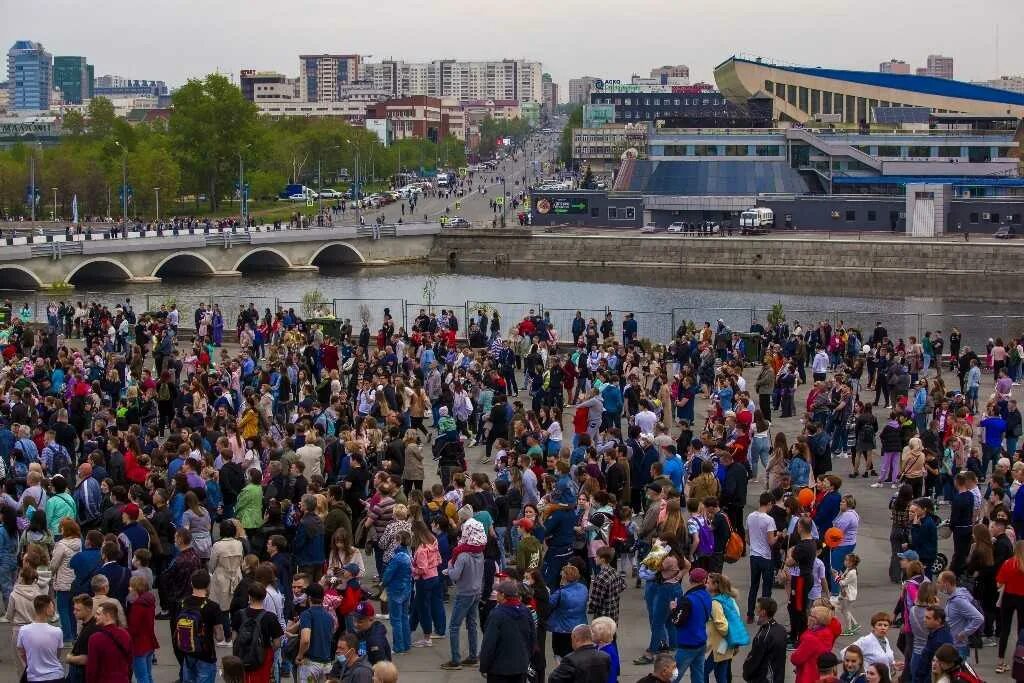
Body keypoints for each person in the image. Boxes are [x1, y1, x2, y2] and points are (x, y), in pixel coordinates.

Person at [441, 518, 485, 671]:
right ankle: (473, 656)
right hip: (476, 591)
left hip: (464, 593)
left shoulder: (462, 555)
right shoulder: (479, 553)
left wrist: (449, 566)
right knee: (472, 624)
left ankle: (455, 660)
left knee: (454, 626)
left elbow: (454, 576)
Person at [478, 579, 535, 683]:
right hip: (520, 667)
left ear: (503, 595)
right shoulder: (526, 611)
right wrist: (527, 659)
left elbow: (489, 643)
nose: (496, 595)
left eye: (498, 592)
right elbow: (532, 639)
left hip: (499, 669)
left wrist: (484, 666)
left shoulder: (497, 615)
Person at [175, 569, 223, 683]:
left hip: (187, 651)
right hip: (206, 654)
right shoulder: (212, 606)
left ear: (191, 583)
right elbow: (220, 637)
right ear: (208, 584)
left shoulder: (181, 603)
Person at [231, 583, 283, 683]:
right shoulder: (270, 617)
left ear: (249, 596)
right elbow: (277, 643)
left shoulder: (239, 614)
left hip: (242, 653)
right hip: (263, 654)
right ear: (264, 597)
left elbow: (234, 638)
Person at [669, 567, 712, 683]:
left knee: (673, 676)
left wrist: (673, 609)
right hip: (701, 642)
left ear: (690, 579)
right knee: (698, 676)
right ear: (704, 581)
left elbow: (676, 621)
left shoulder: (687, 600)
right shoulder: (707, 596)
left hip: (687, 644)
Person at [706, 573, 747, 683]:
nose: (706, 584)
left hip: (718, 645)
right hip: (727, 645)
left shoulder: (715, 603)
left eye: (708, 582)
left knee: (704, 671)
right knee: (721, 674)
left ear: (715, 585)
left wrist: (727, 636)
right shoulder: (728, 599)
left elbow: (722, 625)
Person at [935, 571, 982, 661]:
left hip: (958, 648)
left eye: (939, 582)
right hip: (954, 645)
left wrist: (964, 633)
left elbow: (978, 618)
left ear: (946, 584)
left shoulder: (959, 600)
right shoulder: (957, 594)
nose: (937, 585)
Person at [17, 594, 64, 683]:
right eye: (52, 607)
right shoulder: (57, 631)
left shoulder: (23, 630)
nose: (53, 609)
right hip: (56, 676)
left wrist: (32, 663)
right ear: (46, 610)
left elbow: (22, 653)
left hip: (34, 677)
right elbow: (57, 654)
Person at [746, 492, 779, 621]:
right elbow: (771, 541)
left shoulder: (750, 516)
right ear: (769, 503)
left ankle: (750, 614)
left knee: (753, 586)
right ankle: (764, 615)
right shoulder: (769, 520)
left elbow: (747, 538)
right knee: (766, 588)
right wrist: (778, 536)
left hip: (754, 555)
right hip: (765, 556)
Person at [994, 539, 1024, 674]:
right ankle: (1020, 659)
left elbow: (999, 583)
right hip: (1022, 598)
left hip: (1008, 597)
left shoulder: (1008, 563)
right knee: (1021, 631)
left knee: (1005, 630)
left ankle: (1000, 662)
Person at [548, 563, 588, 660]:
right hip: (580, 626)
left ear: (565, 577)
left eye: (562, 575)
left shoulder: (561, 593)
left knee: (560, 655)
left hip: (562, 629)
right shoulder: (584, 588)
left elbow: (549, 605)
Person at [296, 583, 336, 683]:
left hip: (310, 665)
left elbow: (305, 640)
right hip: (326, 665)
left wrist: (300, 655)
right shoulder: (329, 617)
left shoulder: (307, 614)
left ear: (309, 597)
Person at [742, 597, 788, 683]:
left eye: (756, 609)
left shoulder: (763, 636)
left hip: (764, 679)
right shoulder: (781, 629)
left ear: (763, 612)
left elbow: (754, 660)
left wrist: (746, 674)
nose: (754, 612)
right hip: (778, 677)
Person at [546, 623, 611, 683]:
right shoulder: (605, 657)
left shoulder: (570, 660)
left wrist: (559, 668)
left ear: (576, 639)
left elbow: (553, 679)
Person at [86, 601, 133, 683]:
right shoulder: (125, 634)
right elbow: (130, 661)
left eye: (98, 614)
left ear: (107, 616)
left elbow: (92, 668)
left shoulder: (95, 638)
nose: (95, 616)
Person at [790, 606, 836, 683]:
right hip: (820, 675)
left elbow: (795, 659)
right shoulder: (827, 633)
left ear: (816, 620)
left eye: (810, 615)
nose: (808, 617)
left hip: (807, 676)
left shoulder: (810, 639)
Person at [127, 574, 159, 683]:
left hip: (139, 645)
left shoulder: (138, 606)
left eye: (131, 586)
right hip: (149, 642)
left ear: (136, 588)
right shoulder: (149, 602)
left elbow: (133, 629)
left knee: (141, 677)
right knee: (148, 675)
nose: (129, 588)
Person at [591, 616, 621, 683]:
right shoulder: (598, 647)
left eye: (593, 632)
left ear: (602, 638)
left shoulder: (609, 653)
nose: (590, 634)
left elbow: (612, 674)